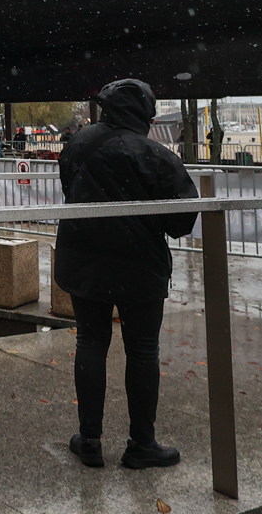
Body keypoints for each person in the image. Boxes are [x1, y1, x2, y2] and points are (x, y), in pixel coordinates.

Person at [56, 79, 197, 470]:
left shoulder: (78, 143)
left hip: (83, 258)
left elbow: (70, 188)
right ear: (145, 114)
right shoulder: (156, 155)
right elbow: (182, 220)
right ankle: (142, 444)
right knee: (143, 350)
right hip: (140, 265)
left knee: (90, 341)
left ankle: (89, 440)